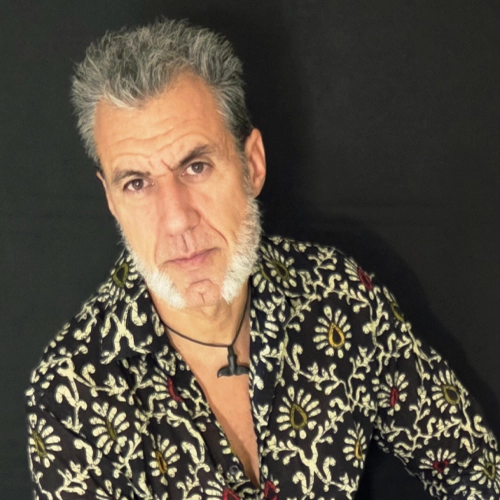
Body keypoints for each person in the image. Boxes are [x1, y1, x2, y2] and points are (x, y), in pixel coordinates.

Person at [26, 19, 499, 500]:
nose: (176, 220)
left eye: (196, 166)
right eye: (137, 183)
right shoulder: (72, 392)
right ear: (111, 199)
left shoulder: (339, 297)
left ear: (251, 164)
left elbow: (473, 467)